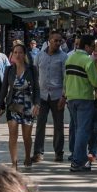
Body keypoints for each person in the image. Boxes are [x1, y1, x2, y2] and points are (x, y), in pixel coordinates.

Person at [0, 43, 41, 168]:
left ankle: (28, 156)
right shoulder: (9, 69)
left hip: (28, 105)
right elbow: (4, 88)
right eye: (15, 52)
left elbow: (37, 88)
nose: (17, 55)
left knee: (26, 136)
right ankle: (14, 163)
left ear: (24, 54)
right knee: (13, 133)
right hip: (13, 105)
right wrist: (0, 105)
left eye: (20, 52)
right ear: (12, 54)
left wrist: (37, 104)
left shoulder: (32, 69)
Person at [65, 35, 97, 172]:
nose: (93, 49)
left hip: (71, 97)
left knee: (76, 128)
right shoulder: (88, 61)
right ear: (86, 46)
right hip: (85, 98)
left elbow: (65, 78)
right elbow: (95, 82)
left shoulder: (70, 58)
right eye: (92, 46)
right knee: (83, 131)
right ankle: (78, 161)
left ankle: (76, 156)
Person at [34, 30, 68, 162]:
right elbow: (35, 75)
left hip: (57, 95)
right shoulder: (39, 55)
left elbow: (66, 78)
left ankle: (58, 152)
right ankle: (38, 152)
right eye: (55, 40)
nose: (58, 43)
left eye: (60, 41)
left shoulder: (63, 57)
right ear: (49, 40)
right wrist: (34, 96)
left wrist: (64, 96)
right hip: (42, 95)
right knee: (40, 124)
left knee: (58, 126)